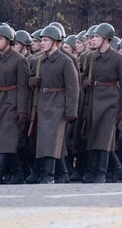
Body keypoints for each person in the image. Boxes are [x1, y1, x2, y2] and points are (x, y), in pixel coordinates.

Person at [81, 22, 122, 183]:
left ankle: (101, 172)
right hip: (94, 100)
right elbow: (83, 75)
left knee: (104, 136)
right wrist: (85, 82)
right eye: (93, 36)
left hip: (111, 101)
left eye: (97, 37)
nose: (93, 40)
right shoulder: (91, 57)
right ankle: (96, 170)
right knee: (93, 135)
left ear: (107, 39)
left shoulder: (118, 58)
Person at [31, 25, 79, 184]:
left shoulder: (66, 61)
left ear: (55, 42)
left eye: (46, 40)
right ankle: (63, 173)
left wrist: (71, 110)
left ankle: (49, 174)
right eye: (41, 40)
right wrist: (32, 81)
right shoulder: (39, 60)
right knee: (50, 140)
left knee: (52, 140)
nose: (42, 43)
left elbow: (73, 87)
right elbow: (30, 80)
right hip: (43, 102)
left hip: (58, 103)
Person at [0, 23, 30, 185]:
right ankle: (18, 174)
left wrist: (22, 109)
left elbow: (23, 87)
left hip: (12, 102)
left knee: (6, 138)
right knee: (1, 139)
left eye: (0, 39)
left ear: (9, 41)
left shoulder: (20, 60)